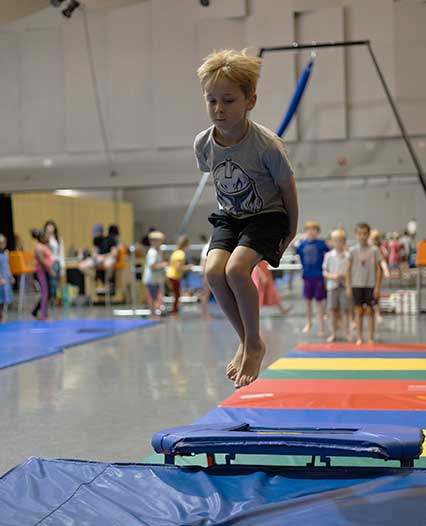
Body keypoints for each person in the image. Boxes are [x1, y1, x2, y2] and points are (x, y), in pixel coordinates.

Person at [194, 49, 298, 387]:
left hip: (267, 215)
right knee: (212, 271)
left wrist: (291, 229)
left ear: (249, 101)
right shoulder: (203, 144)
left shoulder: (266, 144)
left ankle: (253, 342)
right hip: (231, 216)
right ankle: (248, 340)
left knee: (237, 270)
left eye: (228, 100)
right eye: (212, 101)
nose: (219, 109)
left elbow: (287, 187)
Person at [346, 223, 382, 345]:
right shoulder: (352, 251)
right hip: (356, 284)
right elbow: (348, 270)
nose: (362, 236)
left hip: (370, 285)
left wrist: (377, 287)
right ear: (356, 235)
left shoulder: (374, 250)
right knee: (359, 311)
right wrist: (348, 286)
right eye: (359, 233)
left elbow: (379, 270)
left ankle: (370, 337)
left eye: (365, 233)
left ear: (368, 234)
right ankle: (359, 337)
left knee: (370, 311)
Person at [296, 221, 329, 337]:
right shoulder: (302, 244)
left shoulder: (321, 244)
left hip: (318, 277)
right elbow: (295, 251)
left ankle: (321, 327)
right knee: (308, 302)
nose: (311, 232)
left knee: (319, 303)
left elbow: (330, 251)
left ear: (318, 232)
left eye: (314, 229)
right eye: (309, 229)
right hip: (307, 277)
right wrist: (293, 240)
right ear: (305, 231)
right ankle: (309, 322)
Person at [322, 229, 350, 342]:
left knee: (345, 310)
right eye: (336, 240)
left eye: (340, 240)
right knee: (332, 310)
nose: (338, 243)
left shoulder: (348, 255)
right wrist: (332, 276)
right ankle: (333, 333)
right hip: (332, 286)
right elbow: (324, 271)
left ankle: (347, 333)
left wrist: (344, 276)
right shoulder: (329, 256)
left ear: (344, 241)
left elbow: (350, 271)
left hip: (344, 286)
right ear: (332, 242)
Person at [142, 231, 167, 318]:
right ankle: (152, 314)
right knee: (152, 297)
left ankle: (154, 313)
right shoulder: (152, 252)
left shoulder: (158, 251)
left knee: (155, 296)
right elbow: (152, 266)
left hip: (155, 279)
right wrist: (163, 265)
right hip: (151, 279)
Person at [166, 235, 192, 316]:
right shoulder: (180, 254)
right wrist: (188, 267)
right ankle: (174, 310)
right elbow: (178, 267)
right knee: (177, 294)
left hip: (171, 276)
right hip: (174, 276)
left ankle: (174, 309)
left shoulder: (175, 252)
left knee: (176, 294)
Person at [31, 229, 54, 321]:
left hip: (45, 272)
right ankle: (43, 315)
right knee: (45, 293)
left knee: (47, 293)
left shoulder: (44, 246)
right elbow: (42, 261)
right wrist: (50, 269)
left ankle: (36, 311)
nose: (48, 238)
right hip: (41, 272)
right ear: (41, 238)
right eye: (46, 237)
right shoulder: (39, 247)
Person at [369, 229, 389, 323]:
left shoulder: (380, 249)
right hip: (367, 274)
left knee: (376, 293)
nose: (373, 241)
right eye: (372, 239)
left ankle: (377, 313)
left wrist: (385, 270)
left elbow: (383, 261)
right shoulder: (367, 249)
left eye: (375, 239)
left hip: (377, 274)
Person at [44, 220, 65, 305]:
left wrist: (62, 266)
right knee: (46, 282)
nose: (50, 228)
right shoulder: (44, 238)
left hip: (55, 263)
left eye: (51, 226)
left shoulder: (58, 239)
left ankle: (53, 299)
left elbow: (61, 253)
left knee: (53, 282)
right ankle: (47, 299)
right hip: (46, 263)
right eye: (48, 226)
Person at [0, 234, 13, 322]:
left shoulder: (5, 253)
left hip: (6, 276)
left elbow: (8, 265)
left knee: (5, 296)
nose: (3, 244)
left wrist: (11, 276)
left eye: (4, 242)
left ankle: (2, 315)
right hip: (1, 278)